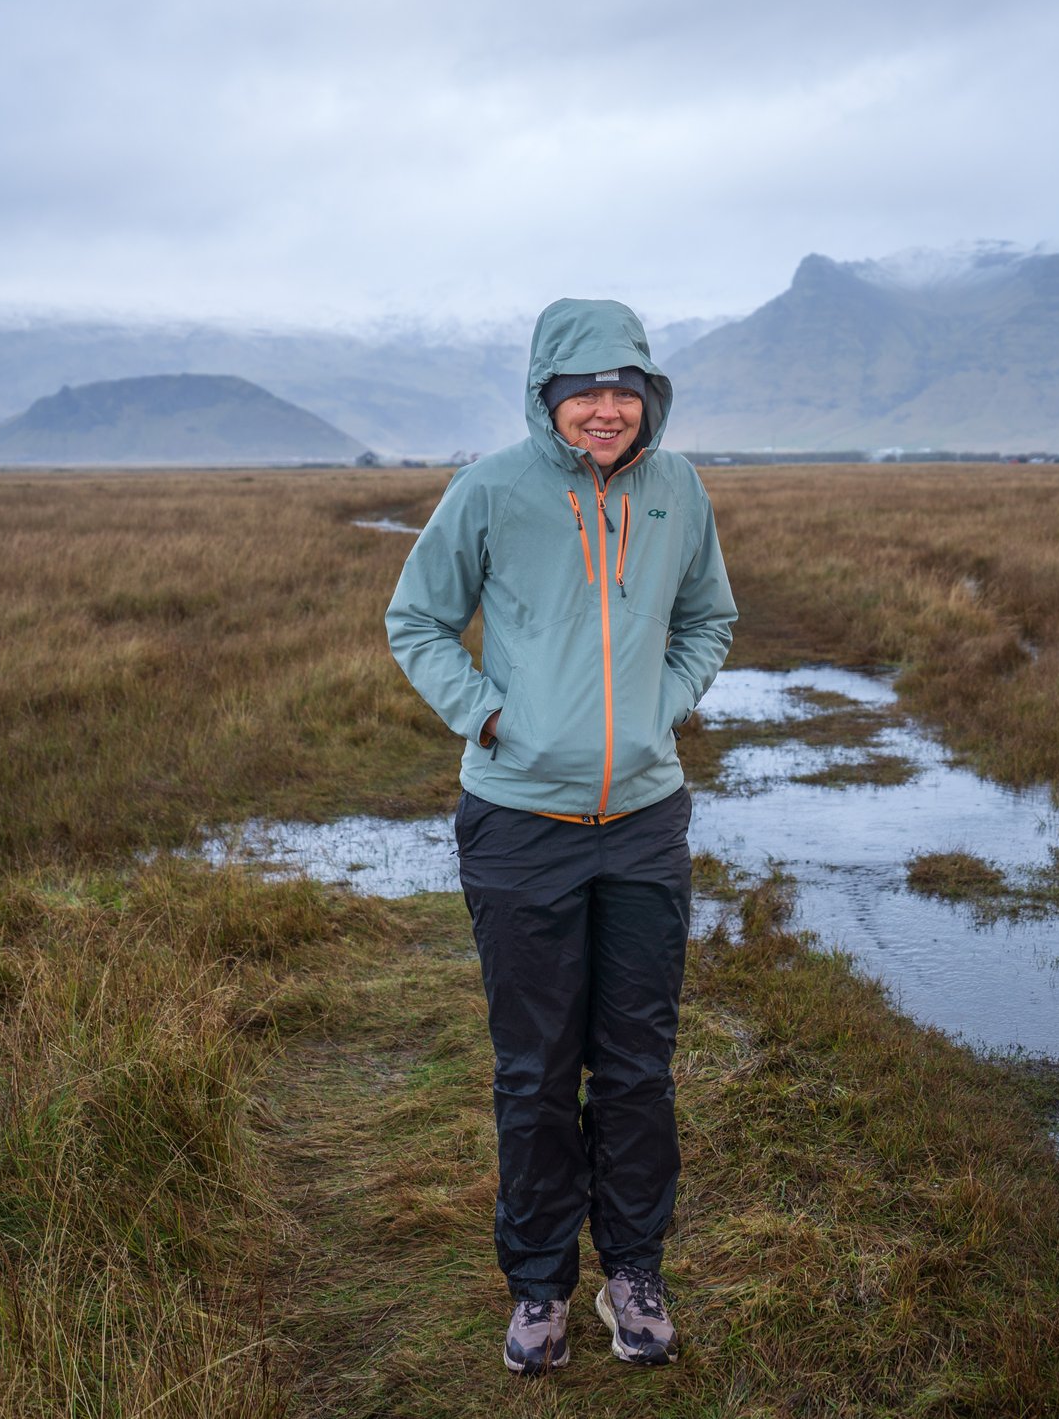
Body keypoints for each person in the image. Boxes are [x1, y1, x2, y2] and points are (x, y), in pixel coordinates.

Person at [385, 297, 736, 1376]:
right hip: (517, 824)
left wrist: (658, 705)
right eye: (582, 390)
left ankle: (634, 1272)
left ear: (648, 396)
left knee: (637, 1067)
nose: (604, 409)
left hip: (642, 823)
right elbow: (417, 619)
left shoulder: (677, 491)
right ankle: (539, 1286)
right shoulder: (490, 490)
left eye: (623, 389)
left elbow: (706, 618)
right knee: (536, 1070)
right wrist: (495, 718)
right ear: (546, 395)